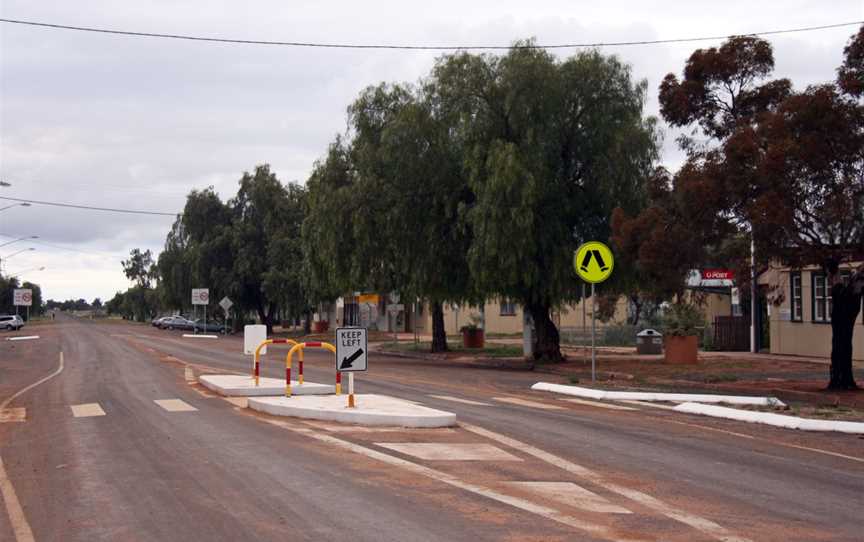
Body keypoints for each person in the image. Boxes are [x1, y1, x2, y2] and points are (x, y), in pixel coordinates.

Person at [826, 259, 864, 390]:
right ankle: (840, 378)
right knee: (841, 344)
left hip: (845, 315)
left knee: (843, 344)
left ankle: (842, 378)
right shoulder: (840, 286)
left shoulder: (853, 283)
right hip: (841, 317)